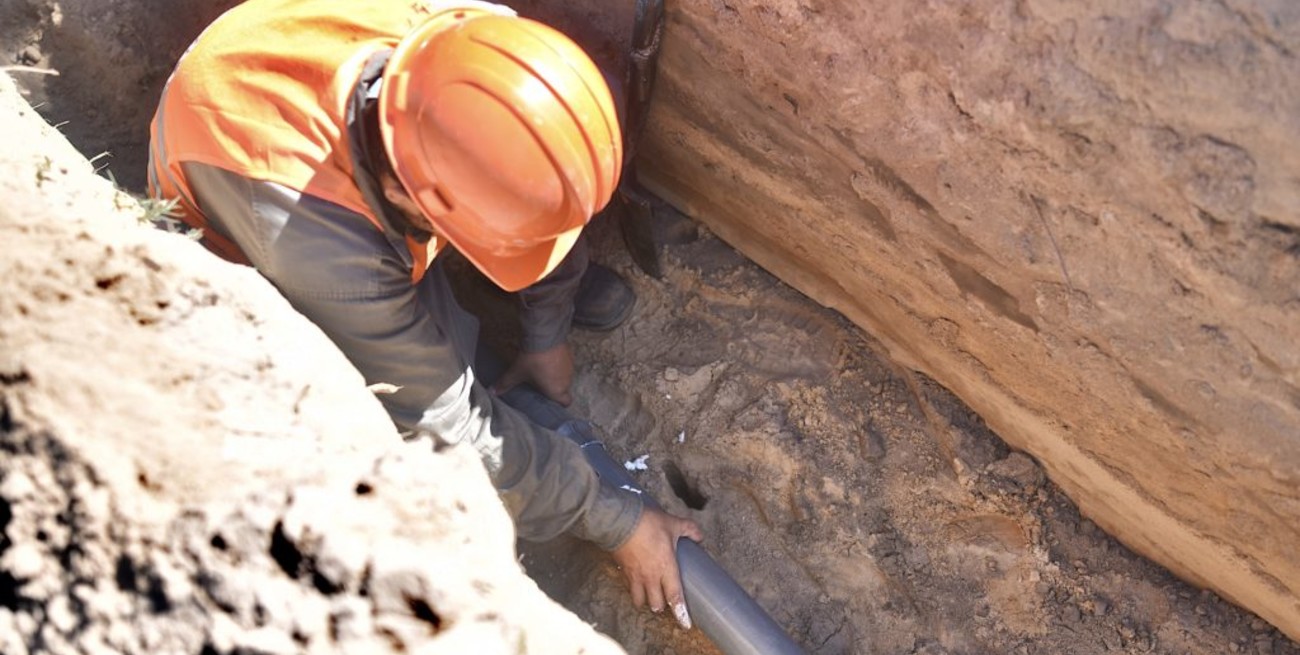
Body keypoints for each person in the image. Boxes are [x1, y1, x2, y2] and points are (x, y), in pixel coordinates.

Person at [147, 0, 702, 627]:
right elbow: (450, 425)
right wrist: (616, 519)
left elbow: (556, 165)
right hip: (243, 218)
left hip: (297, 94)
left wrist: (546, 331)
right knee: (406, 407)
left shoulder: (474, 49)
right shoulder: (327, 251)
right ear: (406, 199)